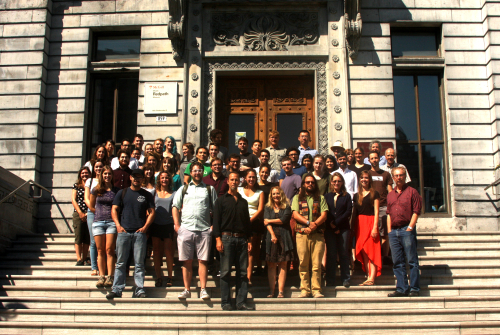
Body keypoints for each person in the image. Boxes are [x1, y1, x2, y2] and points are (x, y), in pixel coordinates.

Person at [106, 169, 155, 299]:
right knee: (121, 262)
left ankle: (139, 289)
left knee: (139, 263)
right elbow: (114, 209)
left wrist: (145, 227)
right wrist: (118, 225)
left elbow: (152, 212)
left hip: (139, 233)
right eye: (134, 177)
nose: (136, 180)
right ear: (131, 178)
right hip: (124, 232)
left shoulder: (146, 195)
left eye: (139, 177)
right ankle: (117, 289)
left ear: (142, 179)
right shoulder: (122, 193)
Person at [173, 162, 217, 300]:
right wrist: (177, 225)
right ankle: (187, 289)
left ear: (203, 173)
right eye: (195, 171)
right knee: (186, 261)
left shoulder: (209, 189)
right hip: (186, 228)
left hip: (204, 229)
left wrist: (213, 227)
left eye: (200, 171)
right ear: (190, 173)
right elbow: (175, 206)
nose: (197, 173)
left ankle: (203, 289)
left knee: (203, 261)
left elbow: (216, 210)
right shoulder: (183, 188)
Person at [213, 172, 254, 311]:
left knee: (242, 273)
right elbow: (216, 221)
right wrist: (218, 239)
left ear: (240, 182)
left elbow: (247, 222)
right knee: (225, 272)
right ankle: (225, 302)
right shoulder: (221, 200)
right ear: (228, 182)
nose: (234, 182)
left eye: (236, 180)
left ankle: (240, 302)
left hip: (242, 239)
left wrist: (249, 239)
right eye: (232, 180)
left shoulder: (243, 201)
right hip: (226, 239)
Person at [387, 167, 422, 297]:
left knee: (412, 260)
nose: (399, 177)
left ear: (405, 176)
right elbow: (389, 214)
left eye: (401, 175)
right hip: (394, 231)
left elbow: (416, 211)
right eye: (396, 176)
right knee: (397, 262)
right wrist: (389, 231)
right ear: (393, 178)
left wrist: (410, 228)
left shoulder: (412, 192)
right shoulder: (390, 195)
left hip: (406, 229)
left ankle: (414, 288)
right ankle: (401, 288)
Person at [292, 174, 328, 298]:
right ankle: (305, 289)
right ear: (303, 184)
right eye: (307, 182)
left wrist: (314, 225)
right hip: (302, 234)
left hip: (317, 235)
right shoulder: (297, 198)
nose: (310, 184)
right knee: (303, 262)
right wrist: (308, 223)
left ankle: (316, 289)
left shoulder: (321, 198)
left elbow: (324, 215)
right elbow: (295, 215)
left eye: (312, 182)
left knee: (317, 263)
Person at [89, 166, 119, 288]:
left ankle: (110, 276)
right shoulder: (96, 190)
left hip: (111, 222)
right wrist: (98, 214)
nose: (107, 176)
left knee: (110, 250)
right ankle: (101, 276)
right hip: (98, 222)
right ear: (101, 175)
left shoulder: (116, 191)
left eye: (109, 174)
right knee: (100, 250)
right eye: (105, 174)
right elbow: (91, 206)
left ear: (112, 176)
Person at [263, 186, 294, 298]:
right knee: (271, 265)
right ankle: (271, 291)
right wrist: (272, 235)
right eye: (274, 194)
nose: (276, 196)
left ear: (281, 194)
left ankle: (280, 291)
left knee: (283, 264)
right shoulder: (267, 207)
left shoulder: (287, 206)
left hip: (284, 236)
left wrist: (270, 220)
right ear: (271, 196)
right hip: (271, 237)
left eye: (278, 193)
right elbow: (266, 223)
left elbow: (284, 220)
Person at [353, 170, 382, 286]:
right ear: (359, 180)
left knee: (372, 251)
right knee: (364, 251)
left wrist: (375, 227)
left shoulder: (375, 193)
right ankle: (368, 275)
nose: (364, 180)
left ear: (369, 179)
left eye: (366, 178)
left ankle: (372, 277)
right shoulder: (356, 195)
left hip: (370, 222)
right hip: (360, 224)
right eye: (362, 178)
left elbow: (376, 212)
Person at [324, 173, 353, 287]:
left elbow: (348, 212)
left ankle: (345, 278)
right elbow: (326, 212)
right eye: (334, 181)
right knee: (331, 254)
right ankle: (330, 279)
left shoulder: (347, 196)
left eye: (339, 181)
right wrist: (332, 225)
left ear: (342, 182)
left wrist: (336, 224)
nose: (336, 183)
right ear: (331, 182)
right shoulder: (327, 196)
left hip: (343, 228)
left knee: (343, 253)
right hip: (330, 229)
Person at [150, 171, 176, 288]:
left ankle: (170, 276)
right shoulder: (153, 193)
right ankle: (158, 277)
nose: (164, 180)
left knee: (168, 251)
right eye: (162, 178)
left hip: (168, 224)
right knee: (156, 250)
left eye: (166, 178)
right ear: (159, 180)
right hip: (156, 224)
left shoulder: (174, 193)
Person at [238, 169, 265, 283]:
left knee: (250, 251)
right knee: (240, 250)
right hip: (240, 223)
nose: (251, 179)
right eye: (249, 177)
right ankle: (241, 275)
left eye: (253, 177)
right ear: (245, 178)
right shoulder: (239, 190)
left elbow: (260, 209)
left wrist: (250, 220)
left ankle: (248, 278)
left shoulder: (260, 192)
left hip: (253, 223)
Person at [368, 150, 393, 261]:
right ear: (369, 160)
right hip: (369, 207)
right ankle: (374, 256)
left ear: (379, 159)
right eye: (372, 158)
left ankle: (385, 256)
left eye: (376, 158)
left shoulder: (386, 174)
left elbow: (390, 191)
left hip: (383, 206)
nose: (374, 160)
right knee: (372, 232)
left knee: (384, 233)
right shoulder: (367, 174)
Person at [84, 159, 104, 276]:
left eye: (100, 166)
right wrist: (93, 209)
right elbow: (87, 198)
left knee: (102, 242)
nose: (98, 169)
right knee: (93, 240)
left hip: (104, 213)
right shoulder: (89, 181)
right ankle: (94, 267)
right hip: (92, 212)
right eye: (96, 167)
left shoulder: (106, 180)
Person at [72, 166, 91, 266]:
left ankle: (84, 258)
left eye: (86, 173)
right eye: (83, 173)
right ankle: (79, 258)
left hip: (89, 213)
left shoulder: (92, 185)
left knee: (87, 237)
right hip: (78, 213)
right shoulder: (76, 185)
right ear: (80, 174)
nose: (84, 174)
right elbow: (73, 199)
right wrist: (80, 212)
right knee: (79, 236)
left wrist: (88, 212)